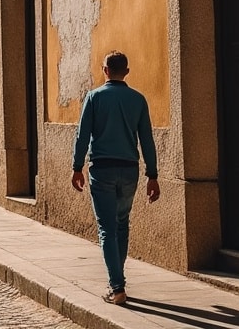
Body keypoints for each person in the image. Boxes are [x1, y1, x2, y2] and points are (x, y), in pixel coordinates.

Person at [71, 51, 160, 306]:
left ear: (105, 70)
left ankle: (117, 287)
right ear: (127, 72)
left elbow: (82, 134)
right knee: (122, 224)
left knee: (106, 229)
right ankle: (117, 279)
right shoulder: (138, 99)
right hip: (130, 170)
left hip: (102, 170)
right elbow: (147, 140)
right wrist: (152, 175)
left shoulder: (94, 97)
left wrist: (77, 167)